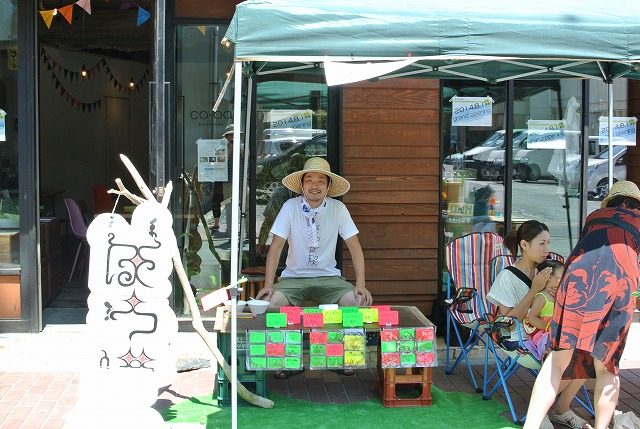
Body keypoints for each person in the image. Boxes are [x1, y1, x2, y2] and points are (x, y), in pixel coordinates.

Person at [523, 181, 640, 429]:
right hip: (618, 282)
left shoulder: (594, 217)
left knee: (557, 361)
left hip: (576, 279)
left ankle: (530, 426)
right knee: (607, 367)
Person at [487, 220, 592, 429]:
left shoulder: (552, 270)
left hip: (552, 331)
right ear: (524, 245)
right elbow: (507, 323)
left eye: (548, 243)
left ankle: (561, 409)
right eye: (541, 243)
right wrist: (535, 290)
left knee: (588, 354)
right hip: (521, 336)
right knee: (564, 357)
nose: (547, 249)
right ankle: (539, 412)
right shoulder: (507, 277)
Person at [256, 157, 372, 308]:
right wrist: (268, 285)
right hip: (294, 279)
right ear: (302, 185)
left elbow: (354, 247)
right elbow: (276, 247)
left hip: (329, 278)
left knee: (360, 303)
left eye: (321, 181)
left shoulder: (338, 208)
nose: (314, 186)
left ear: (329, 186)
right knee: (268, 304)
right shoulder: (290, 206)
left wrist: (361, 285)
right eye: (309, 180)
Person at [522, 259, 564, 361]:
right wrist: (549, 328)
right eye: (562, 276)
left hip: (561, 332)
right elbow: (532, 318)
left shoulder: (562, 296)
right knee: (549, 345)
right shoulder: (541, 297)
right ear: (548, 277)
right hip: (546, 334)